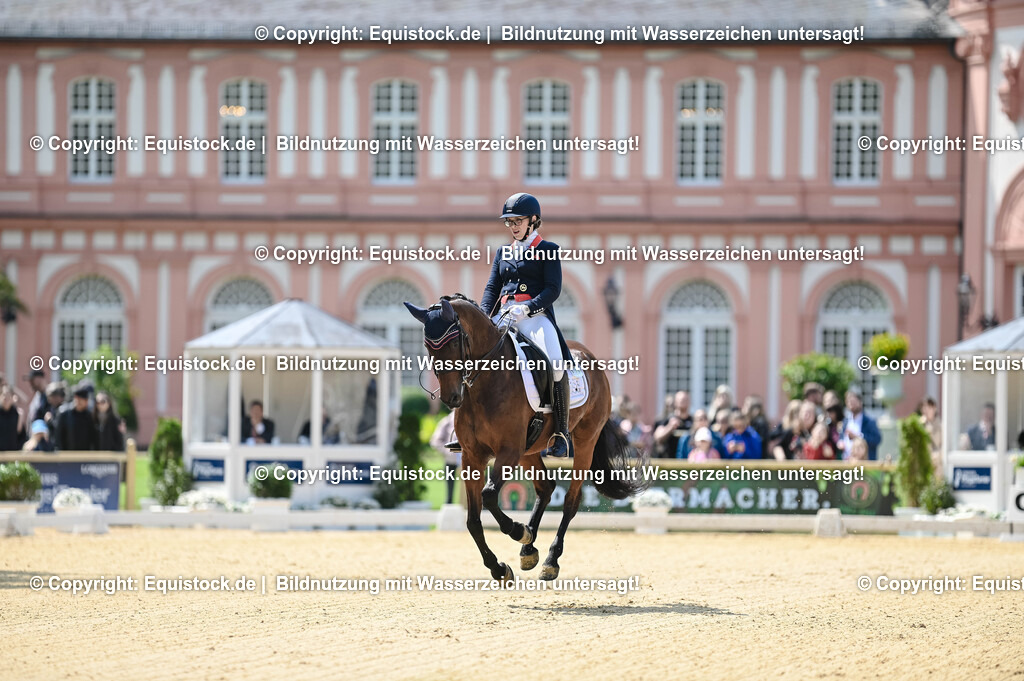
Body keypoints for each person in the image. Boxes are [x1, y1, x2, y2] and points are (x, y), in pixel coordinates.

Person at [478, 192, 575, 458]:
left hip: (534, 317)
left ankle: (561, 433)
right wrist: (486, 316)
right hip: (504, 316)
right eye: (509, 222)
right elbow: (491, 288)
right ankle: (465, 426)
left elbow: (553, 289)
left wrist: (529, 307)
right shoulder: (503, 252)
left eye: (518, 220)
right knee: (473, 354)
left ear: (533, 220)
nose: (513, 226)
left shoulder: (548, 250)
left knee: (555, 364)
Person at [55, 383, 97, 451]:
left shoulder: (89, 415)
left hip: (85, 456)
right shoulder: (64, 413)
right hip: (67, 455)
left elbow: (92, 437)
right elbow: (58, 437)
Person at [842, 387, 881, 460]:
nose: (851, 404)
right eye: (849, 402)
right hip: (847, 463)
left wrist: (858, 436)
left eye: (853, 402)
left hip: (865, 464)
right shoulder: (845, 421)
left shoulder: (869, 421)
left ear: (860, 402)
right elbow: (842, 438)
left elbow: (877, 439)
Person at [429, 411, 460, 505]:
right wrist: (447, 451)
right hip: (452, 460)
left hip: (470, 461)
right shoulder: (446, 422)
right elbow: (435, 441)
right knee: (450, 483)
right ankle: (449, 503)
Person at [652, 391, 692, 458]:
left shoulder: (693, 421)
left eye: (685, 400)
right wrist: (670, 427)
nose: (683, 402)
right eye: (681, 400)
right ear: (675, 402)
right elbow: (657, 438)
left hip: (687, 462)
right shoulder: (666, 419)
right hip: (668, 461)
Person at [918, 397, 943, 478]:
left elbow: (941, 444)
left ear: (934, 408)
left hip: (937, 460)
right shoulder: (920, 424)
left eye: (929, 408)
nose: (926, 411)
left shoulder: (941, 425)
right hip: (923, 460)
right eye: (924, 408)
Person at [0, 385, 26, 451]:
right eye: (4, 395)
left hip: (13, 454)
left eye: (8, 395)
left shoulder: (17, 414)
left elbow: (21, 435)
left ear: (12, 398)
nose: (5, 398)